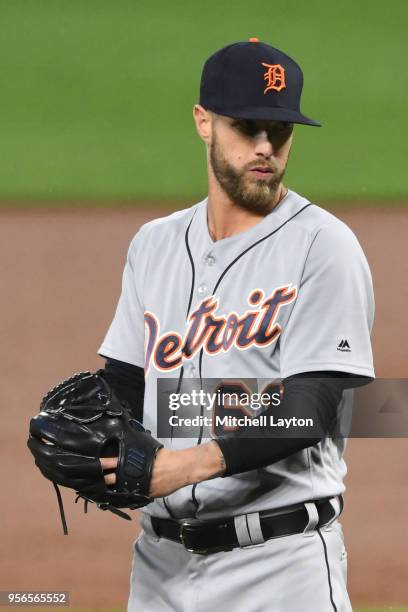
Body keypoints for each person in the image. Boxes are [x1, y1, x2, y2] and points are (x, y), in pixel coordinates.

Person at [96, 39, 375, 611]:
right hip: (158, 571)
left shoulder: (323, 247)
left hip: (279, 570)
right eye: (247, 127)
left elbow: (310, 408)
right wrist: (95, 449)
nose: (266, 147)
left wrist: (177, 467)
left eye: (280, 130)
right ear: (204, 122)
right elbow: (124, 383)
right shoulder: (155, 245)